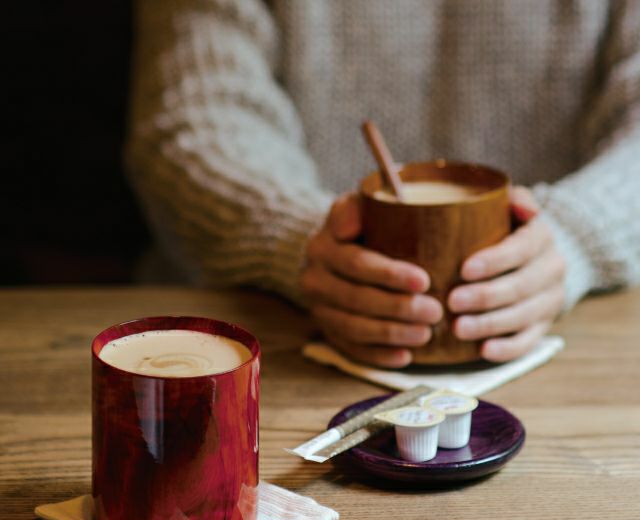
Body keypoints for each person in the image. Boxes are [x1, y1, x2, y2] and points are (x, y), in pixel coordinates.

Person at [125, 0, 640, 367]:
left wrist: (577, 232)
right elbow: (192, 116)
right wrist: (298, 238)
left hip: (579, 356)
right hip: (250, 351)